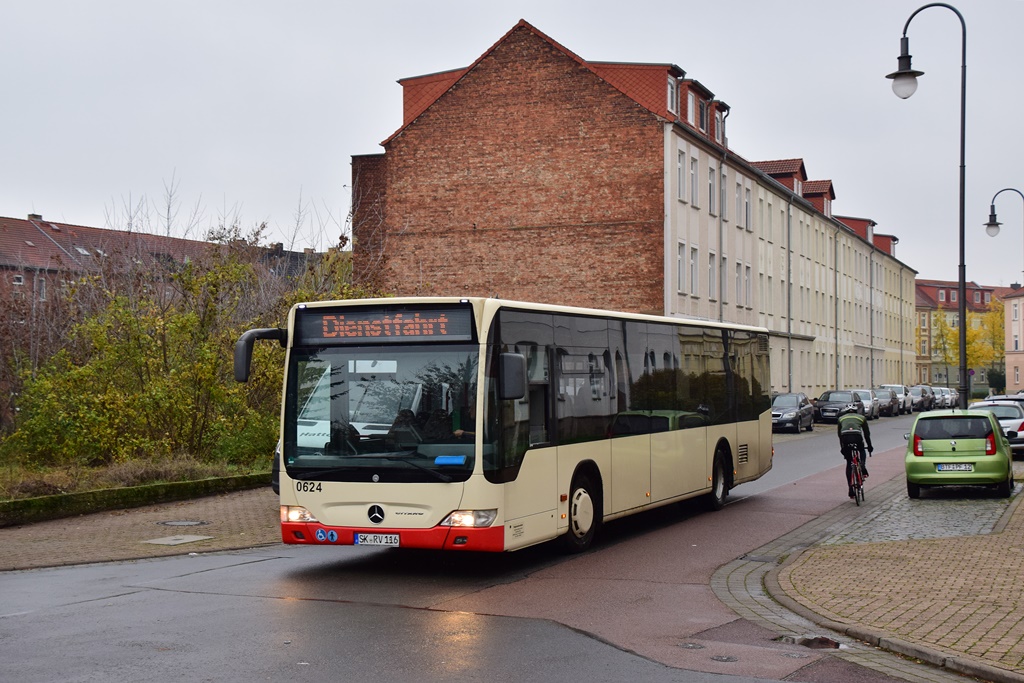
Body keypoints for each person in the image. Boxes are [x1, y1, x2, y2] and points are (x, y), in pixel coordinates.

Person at [837, 407, 873, 498]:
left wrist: (843, 448)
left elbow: (839, 435)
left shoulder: (841, 419)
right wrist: (869, 446)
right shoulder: (862, 418)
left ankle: (850, 489)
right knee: (861, 450)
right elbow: (866, 434)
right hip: (857, 436)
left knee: (849, 463)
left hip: (845, 437)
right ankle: (863, 465)